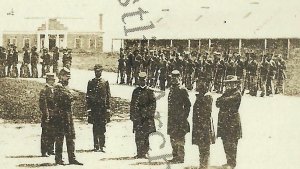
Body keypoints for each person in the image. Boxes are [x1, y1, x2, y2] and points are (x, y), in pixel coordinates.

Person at [53, 67, 83, 165]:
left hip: (68, 115)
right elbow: (67, 97)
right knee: (60, 137)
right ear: (61, 76)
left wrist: (71, 96)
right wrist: (71, 96)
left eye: (69, 77)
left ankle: (72, 158)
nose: (68, 79)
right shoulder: (58, 86)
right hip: (60, 115)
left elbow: (72, 96)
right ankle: (58, 159)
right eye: (66, 77)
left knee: (71, 136)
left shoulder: (66, 87)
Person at [216, 75, 242, 169]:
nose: (229, 85)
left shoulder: (237, 93)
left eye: (231, 83)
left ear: (235, 84)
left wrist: (222, 100)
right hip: (224, 121)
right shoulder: (226, 92)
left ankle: (232, 163)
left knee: (232, 143)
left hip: (233, 122)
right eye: (227, 83)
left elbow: (226, 101)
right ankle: (228, 161)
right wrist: (222, 100)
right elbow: (217, 103)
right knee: (225, 141)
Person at [130, 72, 156, 158]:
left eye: (143, 80)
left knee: (145, 135)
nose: (142, 82)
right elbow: (132, 104)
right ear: (138, 80)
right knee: (138, 135)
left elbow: (153, 104)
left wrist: (149, 114)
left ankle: (145, 152)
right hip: (138, 117)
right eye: (140, 80)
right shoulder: (135, 91)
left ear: (146, 80)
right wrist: (132, 115)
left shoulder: (149, 91)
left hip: (146, 117)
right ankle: (139, 153)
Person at [167, 70, 191, 163]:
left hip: (180, 118)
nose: (174, 79)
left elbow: (188, 105)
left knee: (180, 137)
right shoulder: (172, 88)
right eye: (172, 77)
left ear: (179, 78)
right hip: (172, 118)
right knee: (172, 136)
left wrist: (184, 117)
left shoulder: (182, 89)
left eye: (176, 77)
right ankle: (175, 156)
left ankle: (180, 157)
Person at [86, 64, 111, 152]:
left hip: (103, 109)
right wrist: (88, 108)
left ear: (101, 72)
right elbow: (88, 96)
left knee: (103, 127)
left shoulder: (105, 82)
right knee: (95, 127)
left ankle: (102, 145)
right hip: (94, 109)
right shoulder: (91, 82)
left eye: (99, 71)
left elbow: (108, 96)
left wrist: (108, 108)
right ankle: (96, 145)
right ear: (94, 72)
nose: (98, 73)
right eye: (96, 71)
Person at [192, 77, 215, 169]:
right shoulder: (201, 96)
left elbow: (205, 113)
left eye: (200, 84)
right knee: (201, 147)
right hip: (200, 126)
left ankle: (204, 166)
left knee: (204, 147)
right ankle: (202, 165)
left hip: (204, 126)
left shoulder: (207, 97)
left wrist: (201, 126)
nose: (197, 85)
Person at [39, 73, 56, 157]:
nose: (53, 82)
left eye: (53, 80)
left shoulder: (54, 90)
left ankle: (51, 149)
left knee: (53, 132)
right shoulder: (44, 90)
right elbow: (43, 104)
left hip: (54, 114)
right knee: (45, 133)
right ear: (47, 80)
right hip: (47, 115)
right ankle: (44, 151)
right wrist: (46, 114)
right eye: (51, 80)